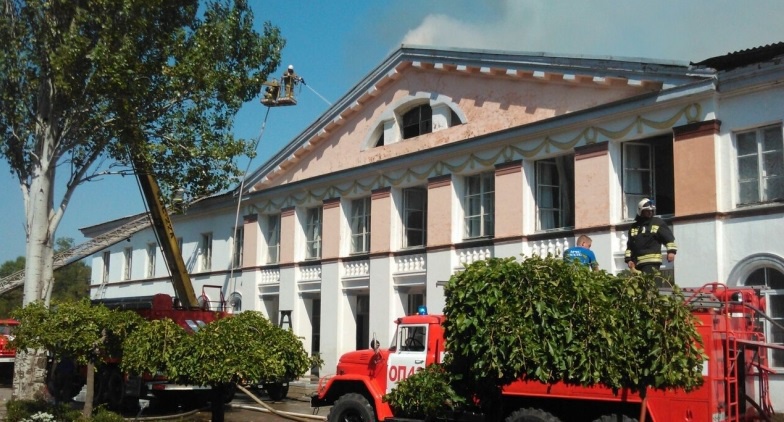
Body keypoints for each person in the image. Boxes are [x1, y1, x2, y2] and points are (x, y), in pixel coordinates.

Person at [624, 198, 677, 274]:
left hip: (652, 262)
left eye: (651, 211)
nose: (650, 212)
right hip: (637, 263)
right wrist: (628, 260)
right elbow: (630, 246)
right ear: (640, 211)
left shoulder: (657, 222)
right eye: (647, 211)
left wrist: (671, 252)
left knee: (648, 281)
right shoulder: (634, 227)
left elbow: (668, 238)